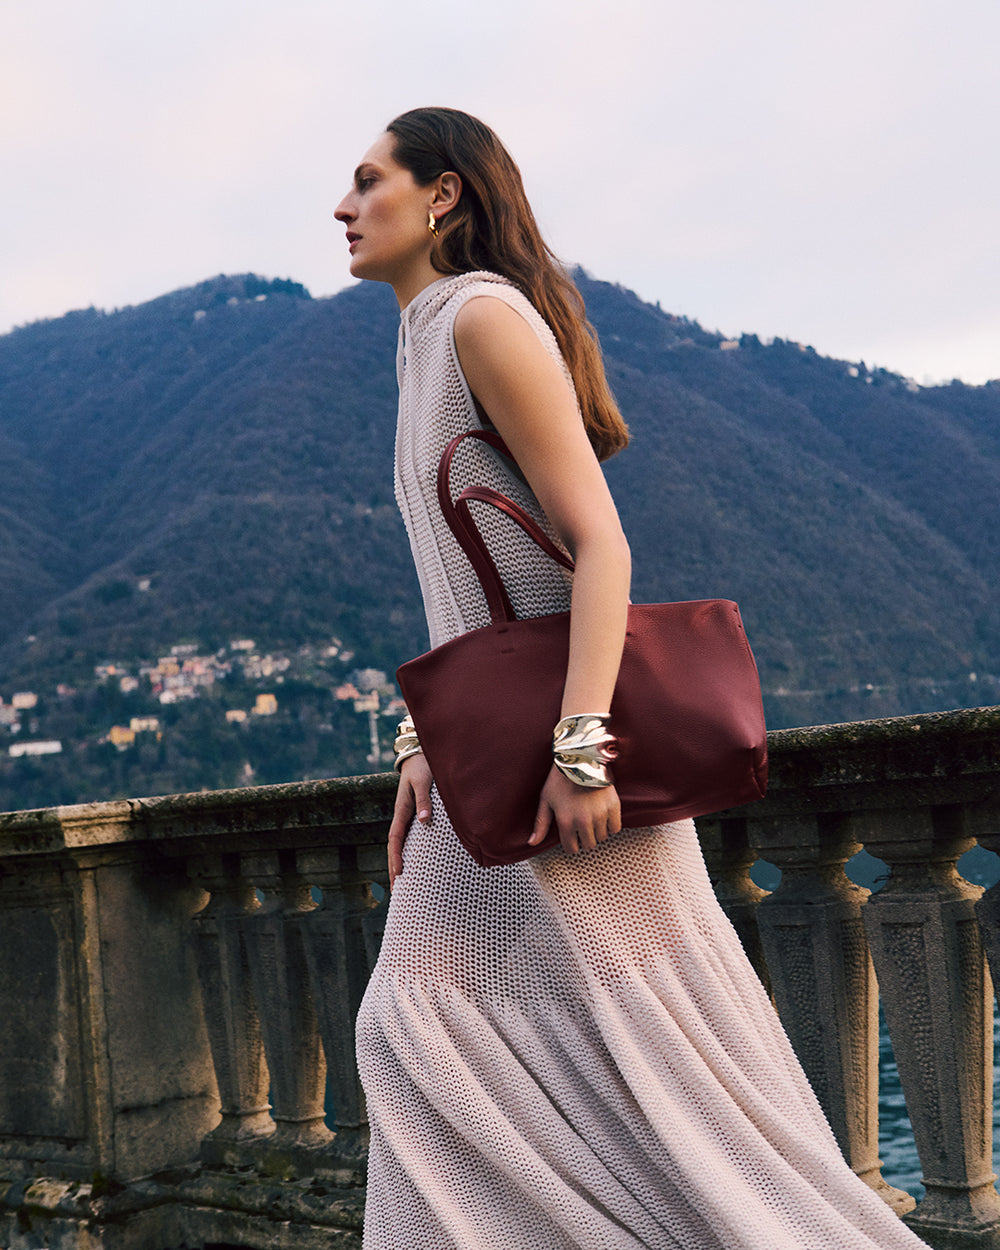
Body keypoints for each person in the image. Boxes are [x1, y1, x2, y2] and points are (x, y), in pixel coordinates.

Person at [334, 108, 927, 1250]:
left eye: (369, 181)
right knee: (434, 1038)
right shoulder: (416, 343)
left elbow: (597, 543)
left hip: (563, 761)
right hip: (488, 766)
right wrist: (422, 745)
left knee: (671, 1083)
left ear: (442, 196)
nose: (347, 206)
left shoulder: (482, 318)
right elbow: (467, 591)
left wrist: (580, 746)